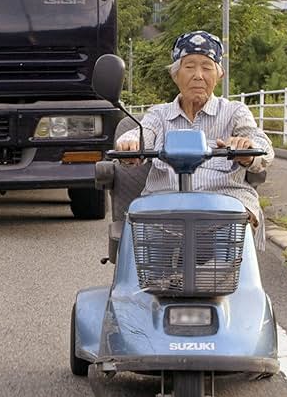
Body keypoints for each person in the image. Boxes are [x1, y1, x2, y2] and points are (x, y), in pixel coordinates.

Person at [115, 30, 274, 247]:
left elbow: (260, 143)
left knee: (234, 269)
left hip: (225, 210)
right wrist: (130, 144)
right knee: (139, 265)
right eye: (189, 66)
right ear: (175, 75)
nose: (198, 75)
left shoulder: (235, 112)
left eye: (207, 67)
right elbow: (143, 133)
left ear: (219, 75)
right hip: (164, 209)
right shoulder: (159, 114)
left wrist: (247, 149)